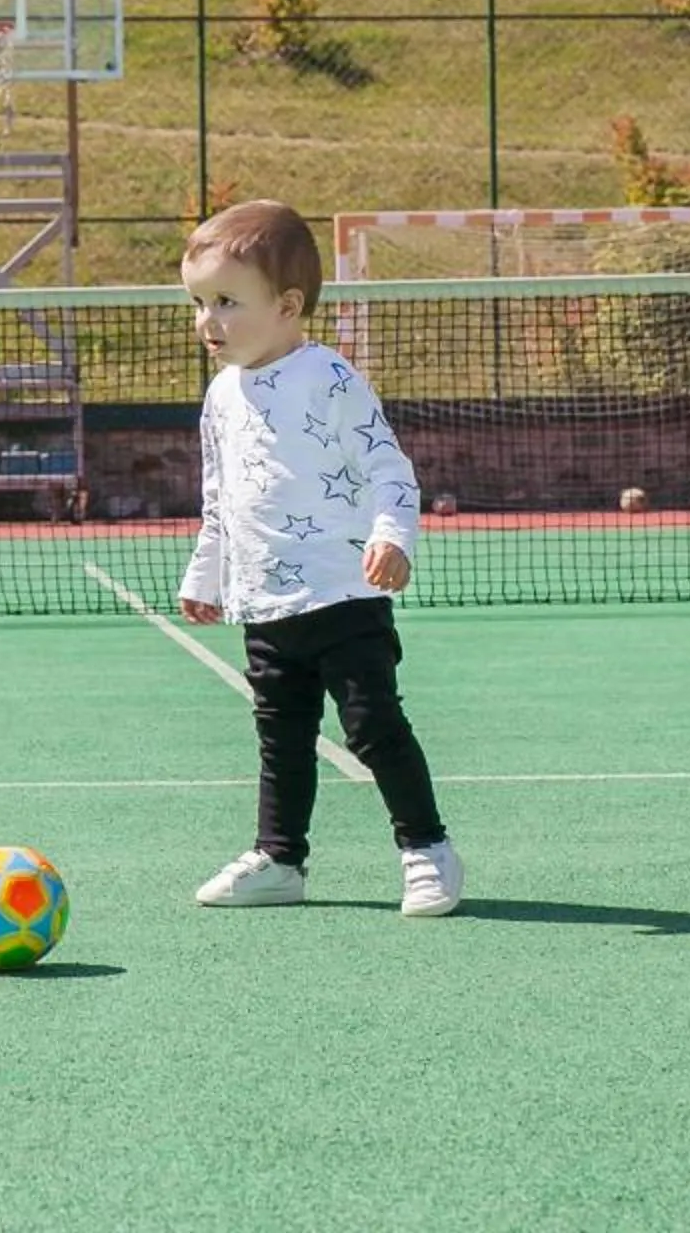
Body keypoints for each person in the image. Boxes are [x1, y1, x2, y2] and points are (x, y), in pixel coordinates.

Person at [175, 200, 462, 918]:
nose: (208, 320)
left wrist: (393, 537)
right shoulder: (220, 395)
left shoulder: (330, 379)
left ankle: (426, 849)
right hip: (264, 604)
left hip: (344, 597)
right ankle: (280, 857)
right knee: (282, 738)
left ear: (288, 305)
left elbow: (389, 471)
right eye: (198, 304)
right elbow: (221, 498)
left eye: (227, 302)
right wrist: (206, 574)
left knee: (373, 727)